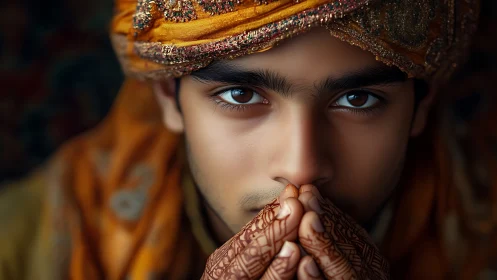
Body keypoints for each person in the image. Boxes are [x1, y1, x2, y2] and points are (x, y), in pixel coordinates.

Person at [0, 0, 495, 279]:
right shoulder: (25, 246)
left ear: (420, 108)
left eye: (359, 100)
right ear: (169, 99)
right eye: (240, 94)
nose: (301, 168)